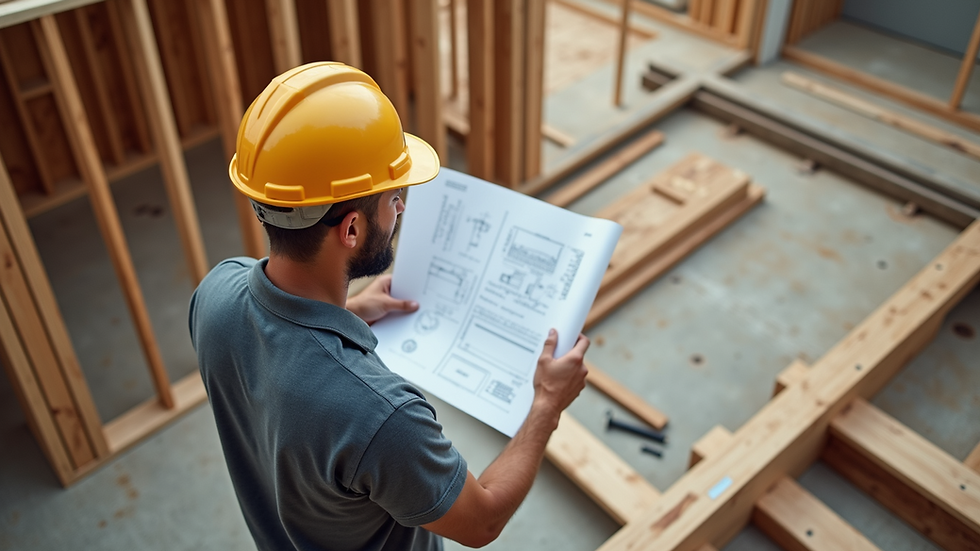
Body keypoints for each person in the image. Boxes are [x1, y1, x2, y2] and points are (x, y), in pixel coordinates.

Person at [188, 62, 589, 551]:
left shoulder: (214, 293)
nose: (401, 207)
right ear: (351, 229)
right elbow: (481, 521)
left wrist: (351, 311)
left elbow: (275, 352)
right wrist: (547, 403)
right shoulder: (379, 415)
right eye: (394, 197)